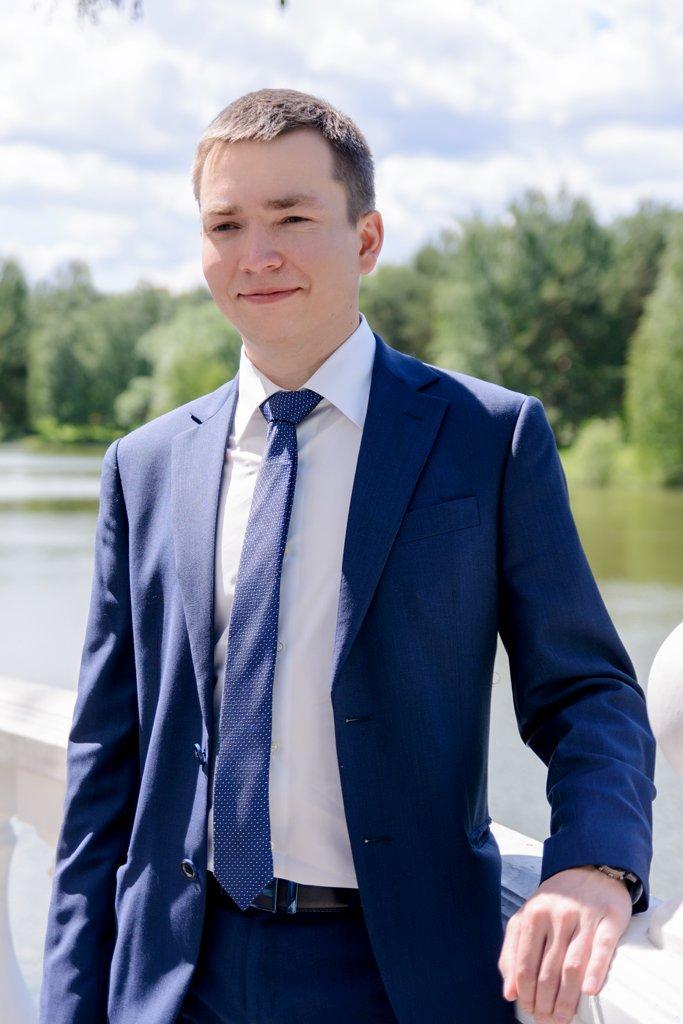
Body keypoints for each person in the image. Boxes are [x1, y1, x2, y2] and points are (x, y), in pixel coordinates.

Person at [39, 87, 656, 1024]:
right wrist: (71, 1002)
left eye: (292, 217)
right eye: (226, 225)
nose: (257, 254)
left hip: (400, 977)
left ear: (366, 239)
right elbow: (104, 765)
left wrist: (594, 863)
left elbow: (584, 692)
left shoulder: (486, 438)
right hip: (175, 978)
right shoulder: (145, 466)